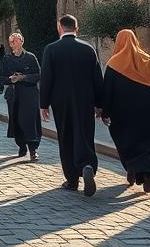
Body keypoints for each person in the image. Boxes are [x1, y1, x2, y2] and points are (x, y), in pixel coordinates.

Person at [38, 14, 104, 197]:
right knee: (84, 134)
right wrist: (100, 104)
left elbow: (46, 79)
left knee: (66, 137)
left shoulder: (51, 49)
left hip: (61, 102)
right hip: (85, 101)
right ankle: (87, 165)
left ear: (60, 27)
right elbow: (97, 79)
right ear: (77, 28)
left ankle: (72, 179)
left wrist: (44, 104)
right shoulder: (88, 49)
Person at [102, 29, 150, 193]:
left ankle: (132, 169)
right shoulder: (146, 60)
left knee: (128, 142)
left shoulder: (113, 64)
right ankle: (148, 174)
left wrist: (105, 112)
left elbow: (107, 91)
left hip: (123, 114)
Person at [0, 31, 43, 160]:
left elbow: (38, 75)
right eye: (11, 41)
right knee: (16, 121)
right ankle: (21, 146)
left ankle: (33, 149)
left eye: (16, 40)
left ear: (22, 41)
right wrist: (10, 79)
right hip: (14, 96)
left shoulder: (30, 57)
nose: (13, 43)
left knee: (30, 121)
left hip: (29, 95)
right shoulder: (7, 59)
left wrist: (23, 77)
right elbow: (1, 78)